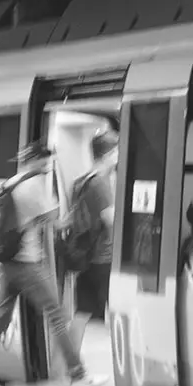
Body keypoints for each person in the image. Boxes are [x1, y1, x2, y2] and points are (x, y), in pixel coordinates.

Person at [0, 144, 106, 386]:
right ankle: (78, 375)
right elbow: (58, 222)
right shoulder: (35, 185)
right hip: (26, 265)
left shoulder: (9, 184)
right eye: (46, 161)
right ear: (38, 161)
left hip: (4, 264)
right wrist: (81, 211)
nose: (47, 166)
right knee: (57, 314)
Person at [66, 129, 118, 333]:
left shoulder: (80, 182)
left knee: (81, 315)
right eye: (117, 151)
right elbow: (110, 221)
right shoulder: (101, 184)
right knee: (115, 313)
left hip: (85, 257)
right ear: (108, 154)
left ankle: (69, 364)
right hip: (103, 258)